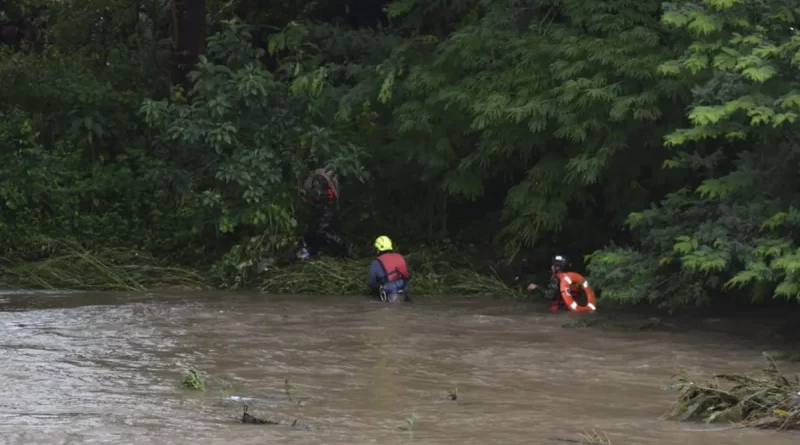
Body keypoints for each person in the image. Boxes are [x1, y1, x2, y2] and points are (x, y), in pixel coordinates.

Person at [300, 168, 354, 259]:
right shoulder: (318, 176)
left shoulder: (323, 177)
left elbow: (325, 195)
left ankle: (345, 245)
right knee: (313, 232)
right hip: (321, 208)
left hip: (326, 208)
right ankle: (315, 252)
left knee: (323, 231)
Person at [366, 236, 411, 302]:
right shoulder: (399, 257)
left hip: (389, 293)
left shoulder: (375, 263)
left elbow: (371, 283)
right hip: (404, 290)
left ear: (378, 249)